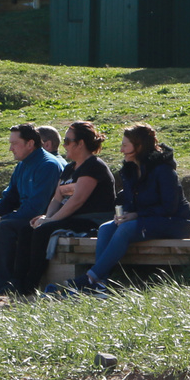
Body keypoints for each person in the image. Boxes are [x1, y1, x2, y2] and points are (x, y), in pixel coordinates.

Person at [61, 122, 190, 296]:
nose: (121, 150)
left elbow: (170, 207)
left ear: (138, 147)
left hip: (175, 223)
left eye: (125, 146)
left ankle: (90, 278)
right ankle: (101, 284)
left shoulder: (164, 170)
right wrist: (123, 214)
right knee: (106, 227)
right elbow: (131, 201)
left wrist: (136, 215)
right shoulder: (130, 170)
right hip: (146, 220)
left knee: (127, 228)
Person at [0, 124, 63, 294]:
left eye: (14, 144)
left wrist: (2, 221)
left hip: (40, 219)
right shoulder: (22, 165)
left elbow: (37, 207)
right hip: (23, 215)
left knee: (6, 227)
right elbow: (9, 197)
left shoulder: (48, 165)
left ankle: (0, 285)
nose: (10, 148)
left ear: (30, 144)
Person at [21, 121, 119, 293]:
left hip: (91, 220)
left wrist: (51, 221)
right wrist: (46, 217)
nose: (64, 145)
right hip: (71, 218)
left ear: (80, 143)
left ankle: (30, 284)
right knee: (27, 228)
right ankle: (16, 278)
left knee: (43, 231)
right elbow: (57, 198)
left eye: (67, 141)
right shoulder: (69, 168)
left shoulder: (94, 166)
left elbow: (77, 201)